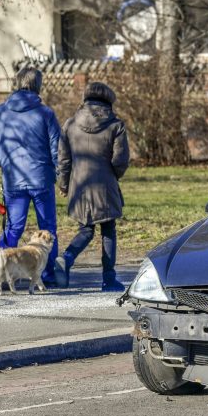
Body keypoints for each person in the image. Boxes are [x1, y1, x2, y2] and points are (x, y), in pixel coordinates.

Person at [0, 67, 61, 285]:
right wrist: (59, 172)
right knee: (48, 228)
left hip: (13, 179)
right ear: (38, 85)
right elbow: (57, 148)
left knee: (13, 227)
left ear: (17, 84)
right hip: (41, 178)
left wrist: (5, 164)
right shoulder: (45, 113)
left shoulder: (0, 112)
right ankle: (47, 274)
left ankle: (1, 270)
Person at [54, 82, 130, 291]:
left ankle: (67, 258)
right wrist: (113, 176)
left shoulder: (70, 124)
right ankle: (108, 279)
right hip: (105, 185)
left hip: (79, 186)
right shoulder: (116, 126)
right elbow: (120, 161)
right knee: (108, 230)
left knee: (86, 229)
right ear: (109, 101)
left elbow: (63, 160)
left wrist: (64, 184)